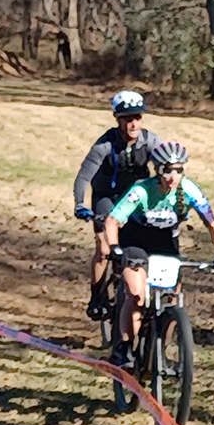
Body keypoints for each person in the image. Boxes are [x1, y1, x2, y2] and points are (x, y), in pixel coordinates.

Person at [103, 141, 214, 368]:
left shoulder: (189, 191)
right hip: (135, 240)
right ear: (157, 170)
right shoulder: (141, 190)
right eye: (167, 170)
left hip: (165, 243)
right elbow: (112, 220)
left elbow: (213, 223)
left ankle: (160, 351)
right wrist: (114, 247)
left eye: (179, 170)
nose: (173, 176)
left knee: (173, 298)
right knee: (137, 295)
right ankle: (123, 347)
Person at [73, 89, 163, 319]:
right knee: (104, 249)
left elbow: (167, 169)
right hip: (107, 197)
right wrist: (80, 204)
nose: (134, 124)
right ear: (117, 119)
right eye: (127, 118)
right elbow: (84, 177)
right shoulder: (104, 145)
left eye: (138, 117)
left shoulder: (151, 141)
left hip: (135, 199)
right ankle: (96, 296)